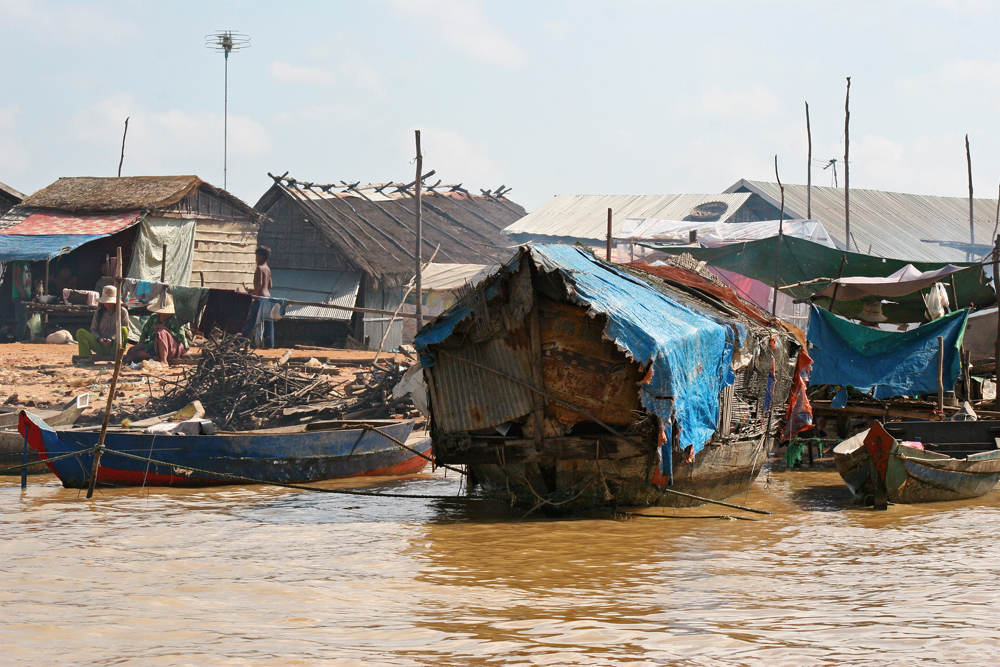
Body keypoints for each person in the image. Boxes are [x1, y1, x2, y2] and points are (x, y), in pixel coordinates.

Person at [124, 293, 189, 365]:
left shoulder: (175, 319)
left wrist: (167, 331)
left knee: (161, 332)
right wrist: (141, 346)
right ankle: (153, 357)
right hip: (153, 346)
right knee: (132, 350)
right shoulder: (153, 318)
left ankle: (163, 360)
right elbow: (144, 333)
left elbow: (181, 338)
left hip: (173, 348)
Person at [75, 285, 129, 361]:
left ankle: (118, 355)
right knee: (81, 332)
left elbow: (126, 329)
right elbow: (94, 329)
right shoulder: (99, 312)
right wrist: (100, 339)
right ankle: (86, 358)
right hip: (101, 346)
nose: (108, 304)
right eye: (106, 302)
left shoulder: (122, 312)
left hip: (115, 346)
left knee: (123, 329)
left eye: (110, 302)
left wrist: (112, 339)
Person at [241, 246, 274, 348]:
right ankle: (269, 344)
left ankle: (242, 341)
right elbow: (269, 286)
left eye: (257, 256)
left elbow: (259, 284)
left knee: (251, 320)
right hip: (267, 297)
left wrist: (253, 295)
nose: (256, 258)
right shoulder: (267, 269)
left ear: (261, 256)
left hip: (259, 299)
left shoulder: (259, 268)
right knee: (268, 322)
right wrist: (254, 289)